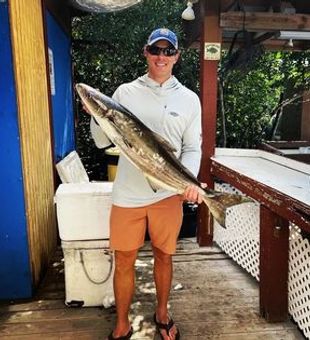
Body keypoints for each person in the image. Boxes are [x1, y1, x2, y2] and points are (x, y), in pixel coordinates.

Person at [90, 28, 203, 340]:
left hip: (168, 193)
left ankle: (162, 313)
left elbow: (192, 148)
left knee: (164, 256)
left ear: (177, 56)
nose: (161, 57)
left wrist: (188, 184)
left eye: (168, 52)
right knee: (124, 259)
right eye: (156, 50)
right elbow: (101, 140)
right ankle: (122, 323)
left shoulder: (189, 99)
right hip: (128, 194)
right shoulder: (125, 93)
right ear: (146, 52)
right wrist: (95, 115)